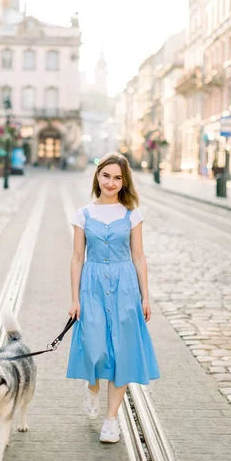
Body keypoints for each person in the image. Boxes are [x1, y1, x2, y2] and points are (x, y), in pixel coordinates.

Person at [66, 152, 160, 443]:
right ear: (97, 176)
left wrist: (145, 296)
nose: (111, 182)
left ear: (124, 181)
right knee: (94, 347)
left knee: (122, 353)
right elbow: (77, 258)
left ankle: (111, 419)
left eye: (117, 177)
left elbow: (139, 256)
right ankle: (92, 386)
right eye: (106, 175)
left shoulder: (133, 214)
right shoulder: (83, 214)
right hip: (92, 286)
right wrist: (74, 298)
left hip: (124, 288)